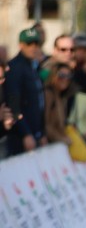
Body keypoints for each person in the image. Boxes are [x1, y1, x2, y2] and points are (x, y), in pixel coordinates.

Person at [5, 27, 47, 156]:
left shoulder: (34, 66)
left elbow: (38, 102)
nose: (33, 47)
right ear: (21, 45)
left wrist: (41, 132)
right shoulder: (14, 67)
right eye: (29, 44)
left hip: (35, 133)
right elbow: (13, 103)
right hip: (20, 137)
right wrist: (26, 133)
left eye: (36, 43)